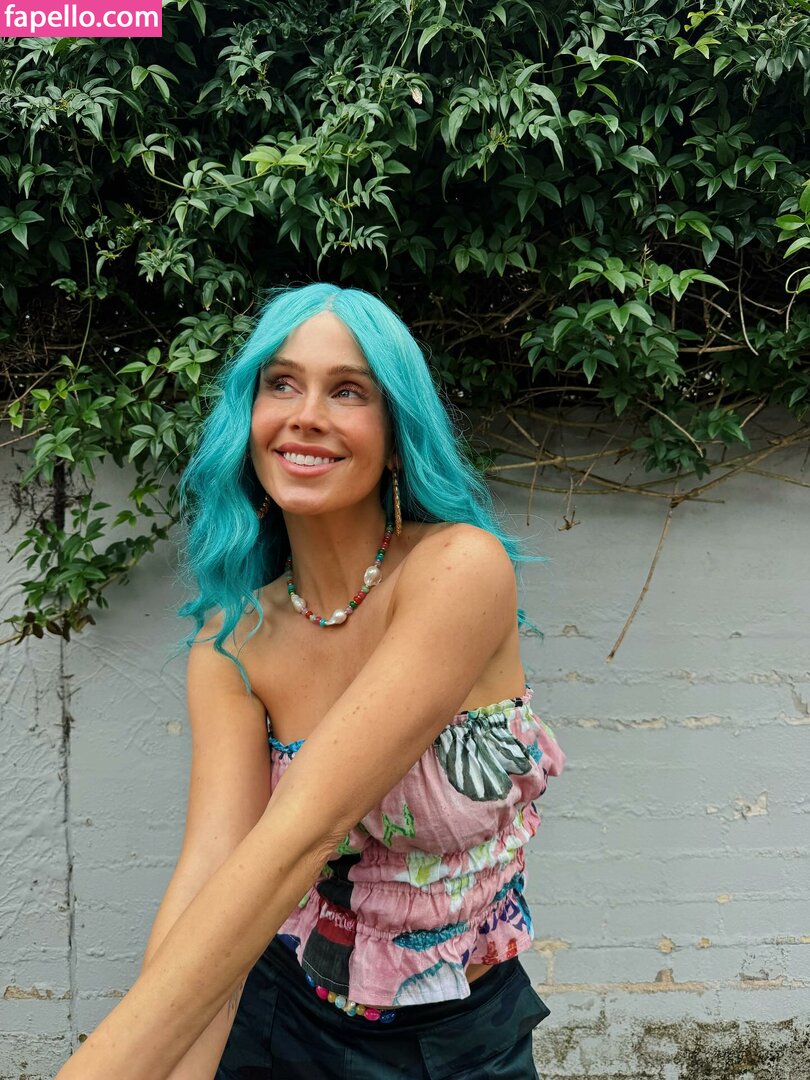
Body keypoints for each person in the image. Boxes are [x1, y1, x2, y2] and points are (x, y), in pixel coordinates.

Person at [54, 282, 565, 1080]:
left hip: (458, 1042)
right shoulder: (230, 644)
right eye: (282, 384)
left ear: (395, 438)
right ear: (249, 422)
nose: (306, 415)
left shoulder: (459, 569)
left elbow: (305, 831)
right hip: (278, 1021)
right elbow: (213, 879)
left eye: (348, 391)